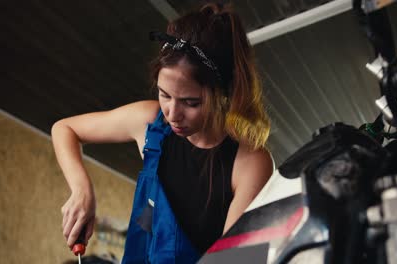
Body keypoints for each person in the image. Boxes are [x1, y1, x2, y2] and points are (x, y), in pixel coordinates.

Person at [51, 2, 273, 262]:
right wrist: (82, 190)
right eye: (164, 94)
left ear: (224, 93)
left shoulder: (250, 163)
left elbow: (232, 261)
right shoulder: (150, 123)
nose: (172, 114)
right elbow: (64, 128)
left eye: (191, 102)